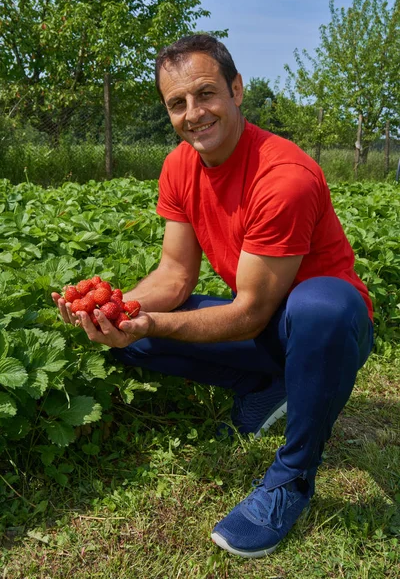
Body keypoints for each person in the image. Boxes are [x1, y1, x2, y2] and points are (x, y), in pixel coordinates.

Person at [52, 34, 374, 559]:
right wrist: (115, 309)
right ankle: (270, 386)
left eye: (205, 94)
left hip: (325, 330)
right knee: (133, 339)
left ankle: (290, 480)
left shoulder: (283, 176)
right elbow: (175, 275)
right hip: (266, 327)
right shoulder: (180, 165)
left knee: (321, 307)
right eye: (177, 103)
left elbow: (248, 313)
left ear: (237, 89)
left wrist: (152, 322)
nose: (193, 113)